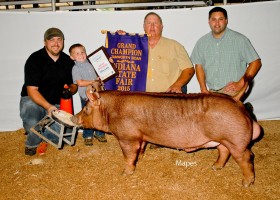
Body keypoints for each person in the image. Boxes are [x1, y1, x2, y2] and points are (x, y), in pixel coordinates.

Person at [118, 12, 195, 148]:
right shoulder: (135, 45)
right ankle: (151, 139)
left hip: (167, 96)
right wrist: (120, 39)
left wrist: (177, 85)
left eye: (155, 23)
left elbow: (189, 69)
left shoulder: (174, 45)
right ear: (143, 26)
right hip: (144, 97)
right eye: (148, 23)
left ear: (162, 26)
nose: (152, 26)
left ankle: (162, 140)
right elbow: (121, 55)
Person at [20, 27, 78, 156]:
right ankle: (32, 142)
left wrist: (69, 90)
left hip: (57, 103)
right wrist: (49, 107)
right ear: (44, 42)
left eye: (59, 40)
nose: (56, 43)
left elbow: (74, 85)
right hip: (34, 101)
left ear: (63, 41)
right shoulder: (34, 59)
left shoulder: (68, 61)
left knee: (65, 139)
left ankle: (40, 130)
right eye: (51, 40)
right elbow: (32, 90)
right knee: (31, 113)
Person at [191, 7, 262, 108]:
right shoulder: (202, 42)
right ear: (209, 21)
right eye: (213, 19)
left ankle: (245, 113)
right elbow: (199, 66)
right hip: (212, 92)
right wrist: (203, 89)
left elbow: (256, 62)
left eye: (220, 19)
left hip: (233, 91)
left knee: (224, 118)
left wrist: (240, 83)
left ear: (226, 21)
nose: (217, 23)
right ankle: (248, 114)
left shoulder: (239, 40)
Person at [69, 43, 107, 146]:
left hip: (96, 94)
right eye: (77, 54)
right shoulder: (75, 68)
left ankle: (99, 133)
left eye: (82, 52)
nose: (81, 55)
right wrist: (93, 81)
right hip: (86, 96)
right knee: (87, 116)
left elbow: (95, 78)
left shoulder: (90, 64)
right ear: (72, 57)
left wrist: (98, 81)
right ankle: (87, 135)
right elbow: (80, 83)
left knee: (99, 114)